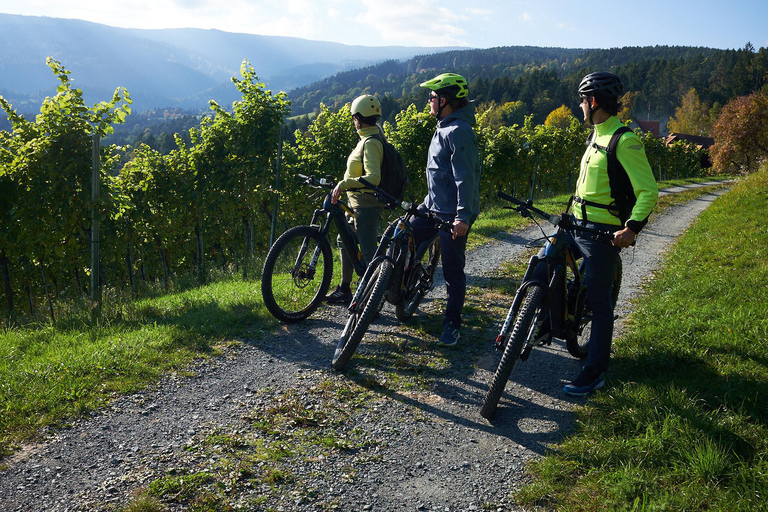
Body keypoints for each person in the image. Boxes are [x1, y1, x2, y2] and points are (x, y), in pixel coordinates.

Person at [561, 71, 658, 396]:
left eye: (582, 100)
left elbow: (648, 191)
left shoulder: (624, 140)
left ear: (593, 102)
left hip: (601, 233)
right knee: (543, 264)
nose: (579, 106)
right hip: (576, 224)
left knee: (598, 301)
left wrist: (631, 228)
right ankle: (535, 322)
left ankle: (595, 371)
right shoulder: (595, 135)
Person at [413, 72, 481, 346]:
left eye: (431, 97)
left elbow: (466, 178)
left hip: (453, 215)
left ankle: (452, 323)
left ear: (444, 100)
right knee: (404, 236)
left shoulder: (459, 131)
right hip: (432, 206)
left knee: (452, 270)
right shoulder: (444, 125)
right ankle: (400, 291)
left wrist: (462, 217)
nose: (428, 102)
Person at [325, 94, 386, 304]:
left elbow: (374, 178)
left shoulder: (370, 142)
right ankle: (344, 288)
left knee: (369, 253)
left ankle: (373, 302)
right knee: (344, 241)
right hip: (356, 204)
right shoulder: (369, 138)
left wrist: (343, 184)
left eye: (354, 118)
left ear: (358, 118)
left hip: (366, 205)